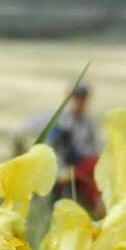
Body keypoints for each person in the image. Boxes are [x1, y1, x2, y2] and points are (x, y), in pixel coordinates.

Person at [49, 84, 103, 216]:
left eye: (82, 99)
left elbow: (93, 148)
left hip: (83, 164)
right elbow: (55, 150)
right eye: (76, 98)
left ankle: (99, 206)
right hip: (65, 168)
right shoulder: (62, 122)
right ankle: (99, 206)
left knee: (96, 168)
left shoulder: (88, 122)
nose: (80, 103)